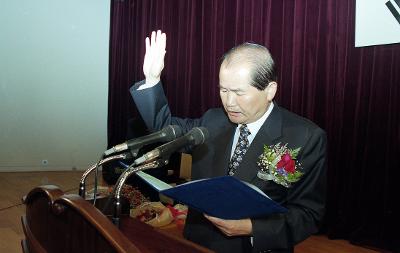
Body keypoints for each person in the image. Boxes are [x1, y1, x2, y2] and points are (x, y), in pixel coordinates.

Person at [130, 30, 327, 253]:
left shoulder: (304, 137)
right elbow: (164, 129)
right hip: (199, 240)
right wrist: (152, 80)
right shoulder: (213, 120)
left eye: (239, 92)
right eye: (223, 90)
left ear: (270, 90)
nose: (229, 102)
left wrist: (251, 228)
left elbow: (308, 214)